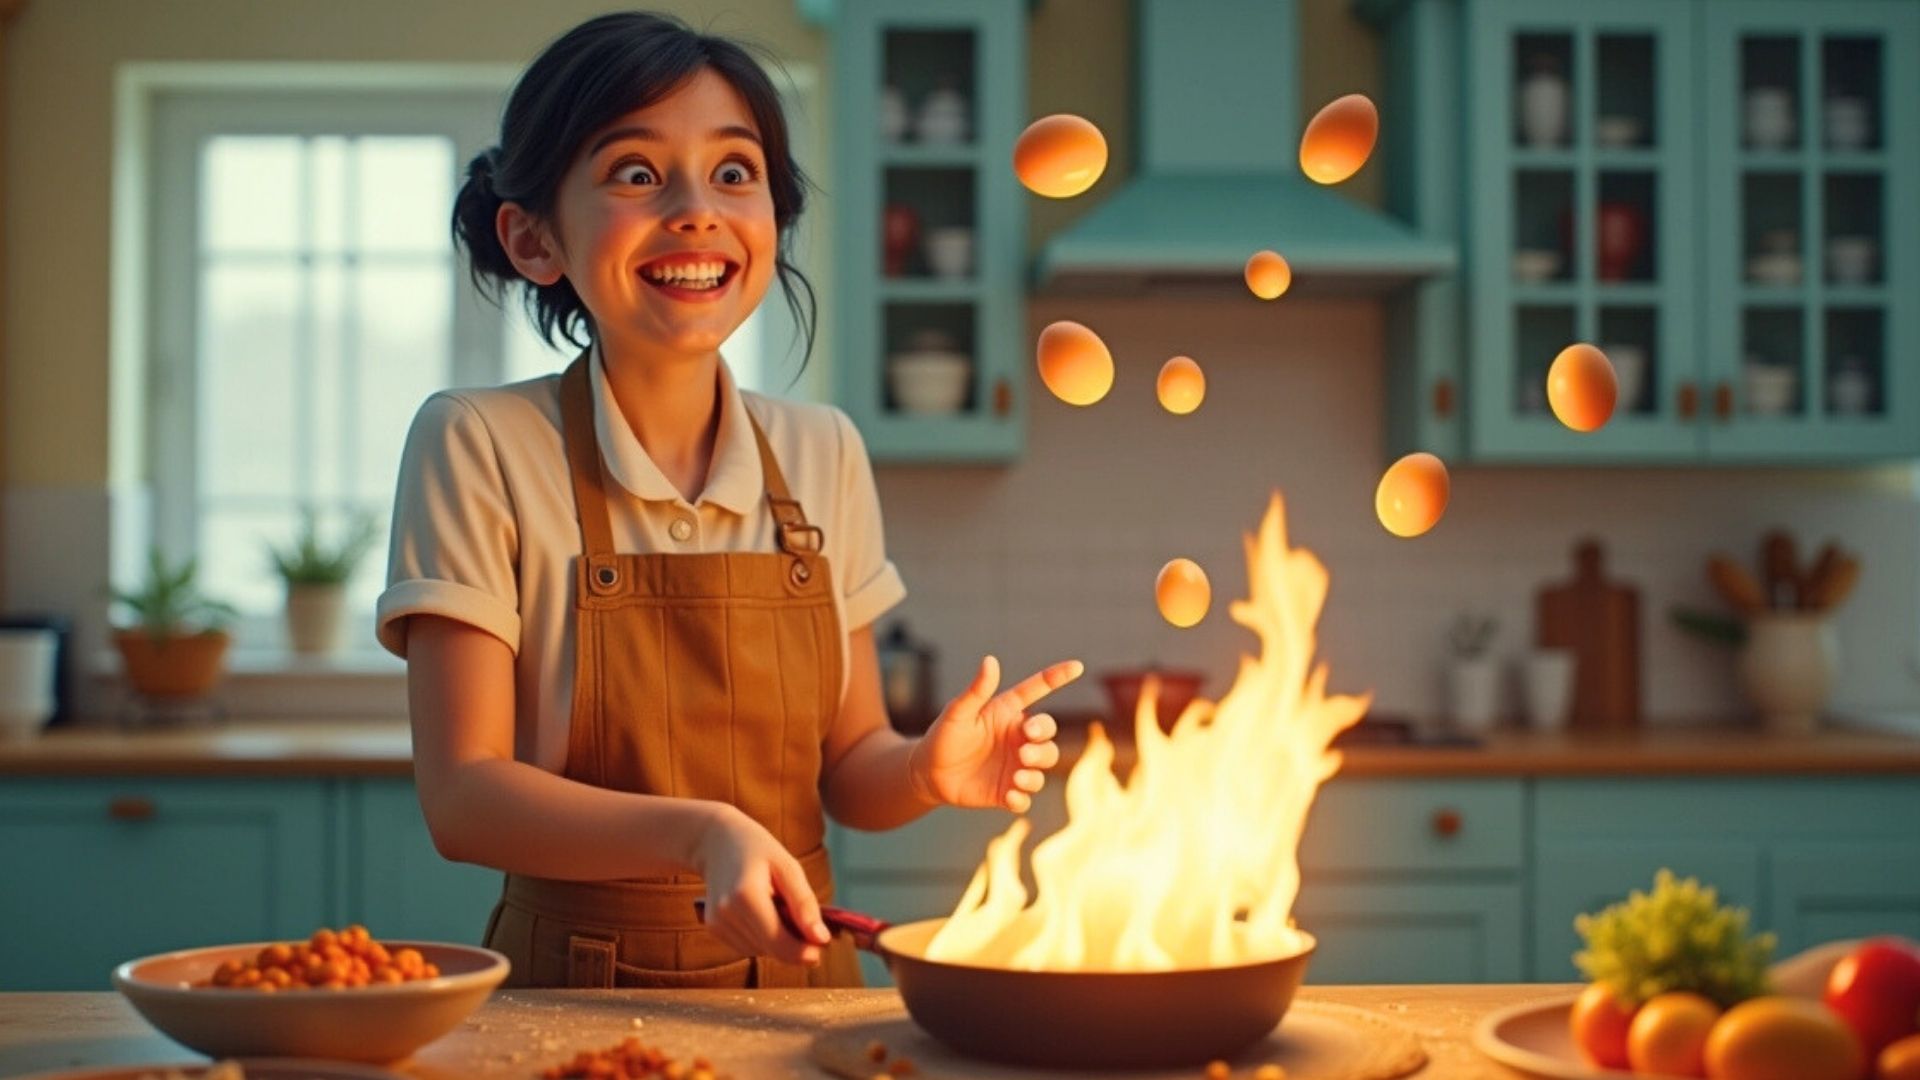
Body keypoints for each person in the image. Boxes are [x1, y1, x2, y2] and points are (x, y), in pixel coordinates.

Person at [375, 11, 1081, 989]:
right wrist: (702, 834)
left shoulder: (821, 448)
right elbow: (464, 799)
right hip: (569, 991)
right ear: (534, 238)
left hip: (807, 987)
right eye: (635, 172)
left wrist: (923, 771)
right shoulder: (477, 442)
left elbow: (853, 767)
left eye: (734, 172)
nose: (696, 210)